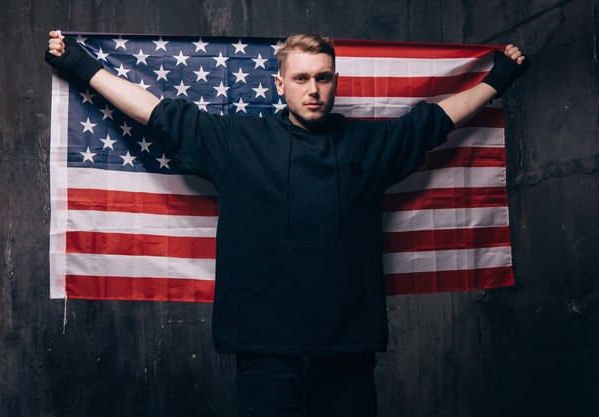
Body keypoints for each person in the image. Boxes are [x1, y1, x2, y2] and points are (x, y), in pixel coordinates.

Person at [46, 31, 527, 417]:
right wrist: (80, 64)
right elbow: (156, 113)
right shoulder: (237, 142)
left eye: (323, 78)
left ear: (336, 81)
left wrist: (499, 77)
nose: (313, 90)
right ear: (279, 84)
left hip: (347, 347)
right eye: (300, 79)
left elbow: (437, 120)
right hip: (264, 347)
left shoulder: (369, 144)